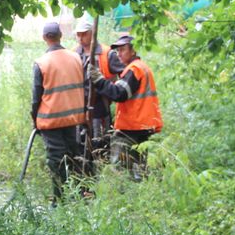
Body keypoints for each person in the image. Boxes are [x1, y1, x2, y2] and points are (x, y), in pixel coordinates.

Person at [91, 33, 163, 181]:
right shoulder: (141, 67)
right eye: (117, 51)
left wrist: (99, 80)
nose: (119, 54)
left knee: (120, 170)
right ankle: (140, 196)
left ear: (133, 50)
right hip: (142, 125)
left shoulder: (134, 69)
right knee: (138, 169)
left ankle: (125, 197)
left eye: (122, 49)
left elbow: (119, 93)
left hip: (132, 128)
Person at [32, 22, 86, 202]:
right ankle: (78, 195)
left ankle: (59, 199)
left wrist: (35, 120)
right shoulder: (76, 58)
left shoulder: (41, 63)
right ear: (60, 35)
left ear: (44, 38)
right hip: (73, 118)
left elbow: (36, 97)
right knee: (73, 156)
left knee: (56, 160)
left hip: (51, 120)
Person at [73, 19, 125, 151]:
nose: (80, 37)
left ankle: (103, 165)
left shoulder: (107, 53)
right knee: (81, 141)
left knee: (101, 140)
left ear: (92, 33)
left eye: (84, 34)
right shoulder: (73, 53)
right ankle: (86, 168)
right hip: (79, 105)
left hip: (101, 103)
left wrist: (114, 89)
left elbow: (125, 73)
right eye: (78, 34)